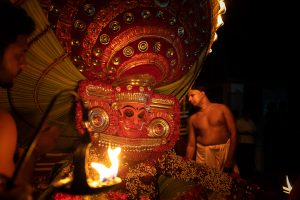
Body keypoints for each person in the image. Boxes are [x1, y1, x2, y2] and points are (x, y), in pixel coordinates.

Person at [0, 2, 59, 199]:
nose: (24, 63)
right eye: (19, 54)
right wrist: (36, 151)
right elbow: (13, 193)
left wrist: (31, 151)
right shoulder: (2, 123)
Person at [185, 84, 238, 173]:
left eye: (192, 95)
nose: (189, 99)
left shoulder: (222, 109)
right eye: (188, 97)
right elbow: (191, 145)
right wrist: (185, 165)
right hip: (204, 156)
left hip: (224, 152)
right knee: (205, 185)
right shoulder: (192, 119)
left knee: (226, 184)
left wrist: (230, 159)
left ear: (202, 93)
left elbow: (234, 134)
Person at [236, 107, 257, 179]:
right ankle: (242, 173)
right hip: (242, 142)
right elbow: (235, 131)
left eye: (249, 114)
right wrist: (243, 132)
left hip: (250, 142)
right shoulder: (239, 122)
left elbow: (255, 131)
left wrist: (250, 133)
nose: (248, 115)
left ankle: (249, 173)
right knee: (242, 158)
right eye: (246, 114)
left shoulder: (251, 122)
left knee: (249, 158)